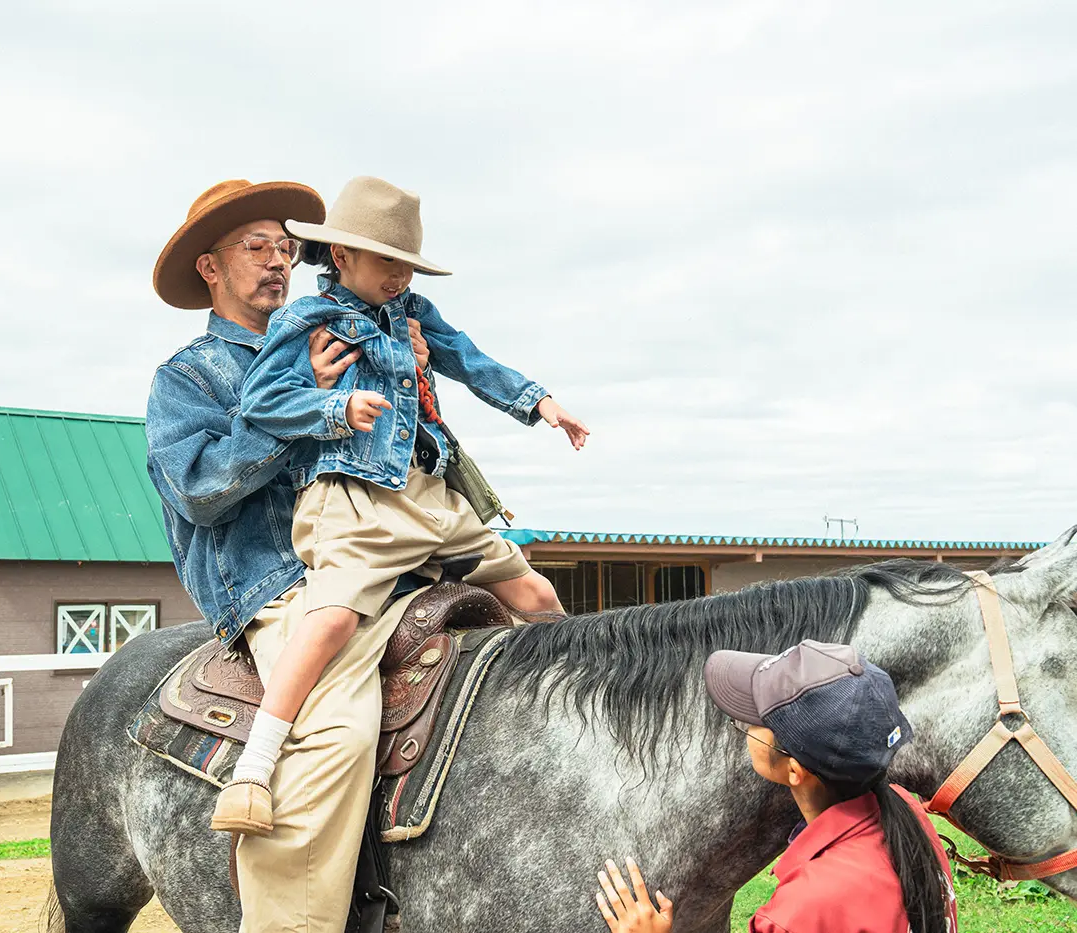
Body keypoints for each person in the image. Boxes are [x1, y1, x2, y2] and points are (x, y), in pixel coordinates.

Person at [213, 175, 590, 835]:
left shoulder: (414, 312)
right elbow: (260, 402)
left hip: (431, 492)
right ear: (344, 256)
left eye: (408, 262)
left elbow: (466, 359)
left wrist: (538, 401)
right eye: (388, 259)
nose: (400, 273)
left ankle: (590, 694)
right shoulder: (307, 319)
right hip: (357, 500)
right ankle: (254, 766)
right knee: (329, 622)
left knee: (532, 591)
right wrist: (334, 406)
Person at [146, 179, 435, 933]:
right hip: (279, 585)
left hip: (379, 560)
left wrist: (415, 375)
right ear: (210, 268)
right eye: (256, 248)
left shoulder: (346, 329)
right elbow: (200, 490)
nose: (279, 262)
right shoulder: (189, 376)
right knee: (336, 728)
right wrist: (304, 405)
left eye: (285, 246)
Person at [597, 640, 957, 933]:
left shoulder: (798, 912)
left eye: (754, 718)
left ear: (795, 770)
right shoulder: (906, 813)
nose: (745, 725)